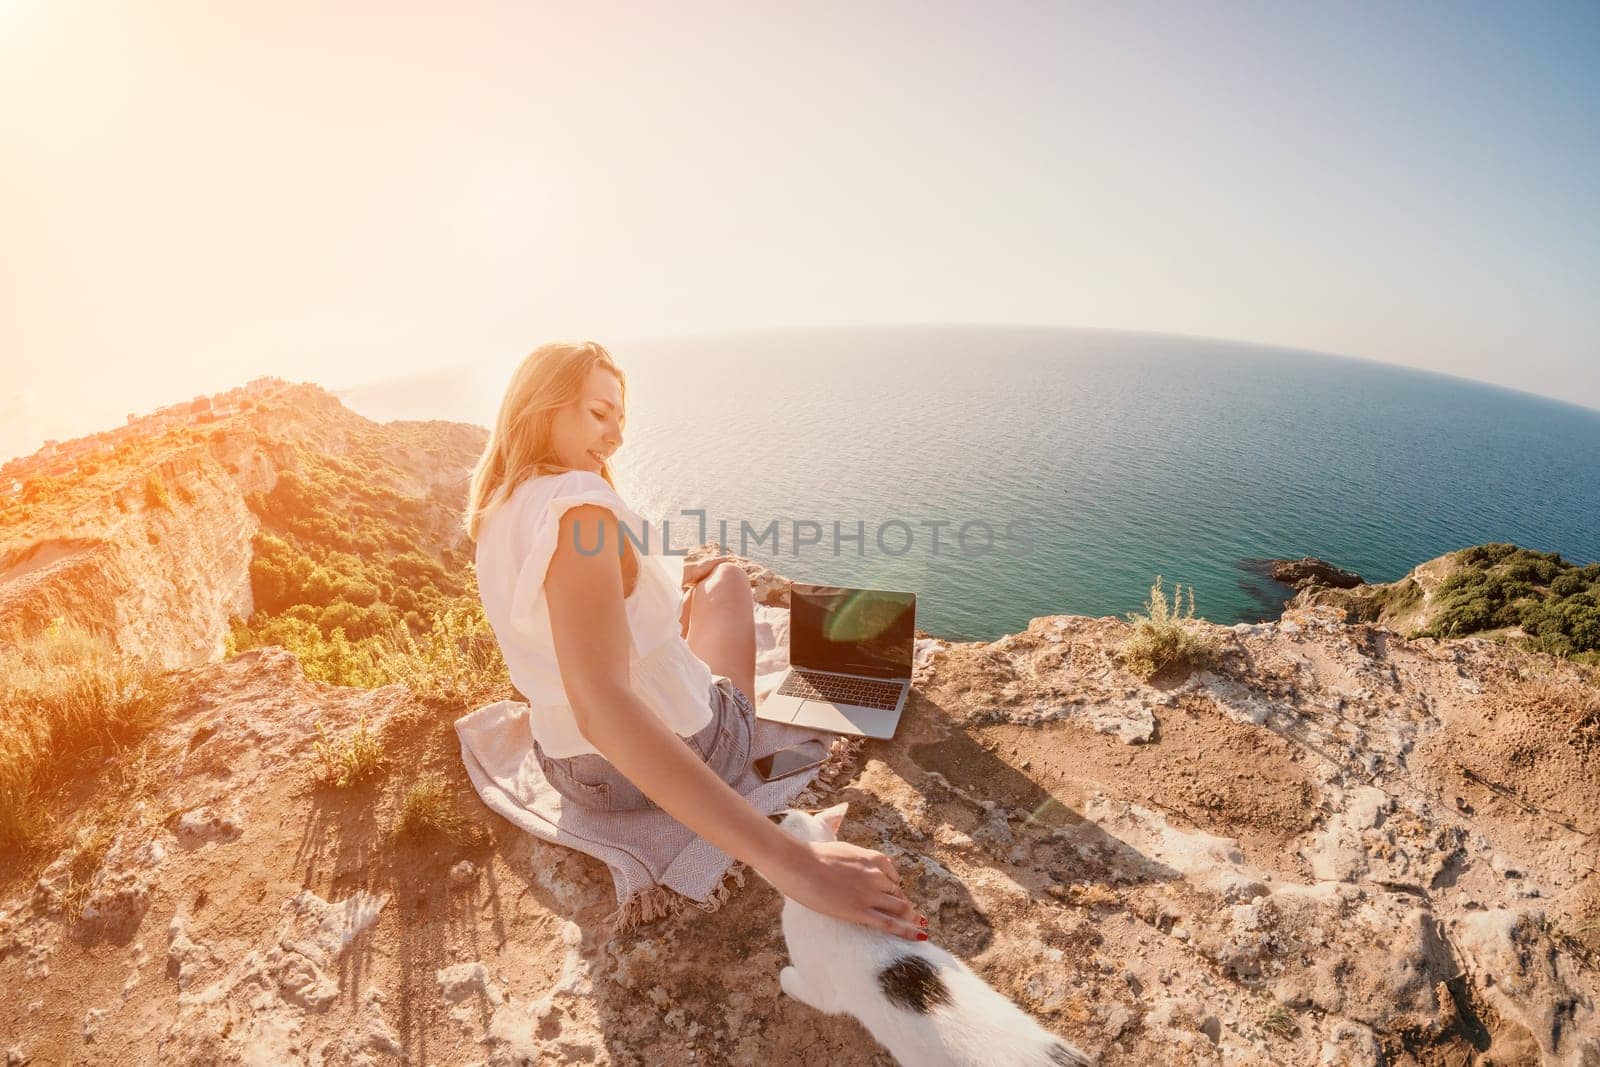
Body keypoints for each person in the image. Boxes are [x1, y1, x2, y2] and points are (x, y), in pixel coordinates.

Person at [464, 340, 927, 942]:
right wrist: (793, 861)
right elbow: (602, 705)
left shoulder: (498, 508)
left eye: (621, 421)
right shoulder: (579, 509)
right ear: (539, 406)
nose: (615, 438)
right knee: (727, 579)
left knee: (689, 599)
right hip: (667, 755)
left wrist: (653, 577)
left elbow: (574, 605)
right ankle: (750, 713)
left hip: (570, 773)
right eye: (599, 414)